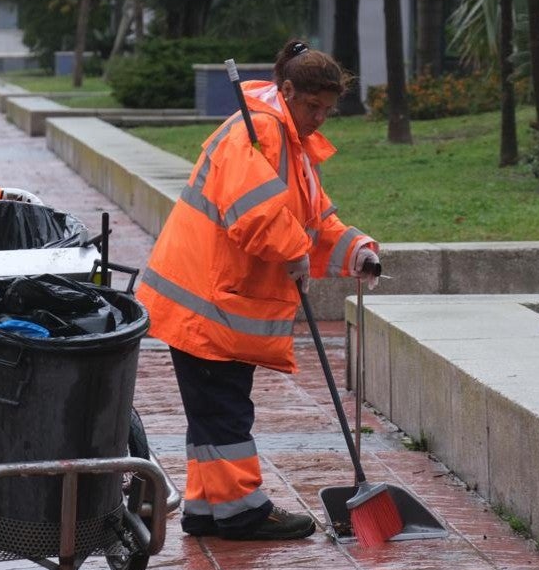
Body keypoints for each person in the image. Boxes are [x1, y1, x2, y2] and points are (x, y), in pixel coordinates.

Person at [136, 39, 380, 540]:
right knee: (224, 411)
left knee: (213, 411)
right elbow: (255, 215)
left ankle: (208, 509)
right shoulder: (259, 132)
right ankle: (243, 511)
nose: (320, 119)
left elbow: (310, 220)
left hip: (216, 301)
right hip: (208, 302)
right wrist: (293, 251)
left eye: (328, 110)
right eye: (313, 106)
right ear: (287, 90)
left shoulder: (286, 140)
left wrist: (355, 250)